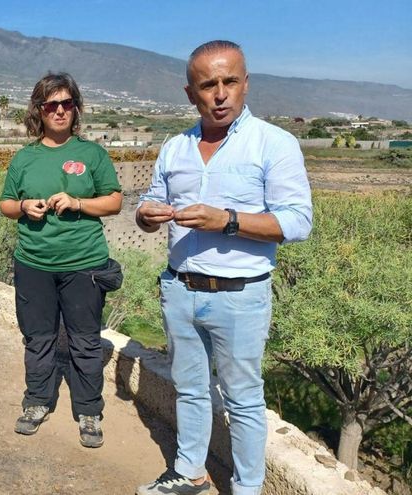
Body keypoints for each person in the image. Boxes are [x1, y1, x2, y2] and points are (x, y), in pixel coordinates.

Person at [134, 41, 312, 495]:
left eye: (230, 81)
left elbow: (297, 221)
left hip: (241, 295)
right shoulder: (175, 147)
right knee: (189, 388)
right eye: (208, 84)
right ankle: (190, 471)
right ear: (189, 92)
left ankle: (248, 488)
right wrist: (146, 215)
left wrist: (227, 220)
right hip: (180, 288)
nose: (220, 94)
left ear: (245, 83)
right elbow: (150, 200)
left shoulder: (275, 143)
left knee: (244, 400)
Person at [0, 72, 123, 448]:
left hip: (84, 264)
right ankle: (37, 401)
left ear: (76, 109)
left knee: (85, 341)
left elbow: (115, 200)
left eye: (66, 104)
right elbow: (5, 204)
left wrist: (78, 203)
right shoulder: (24, 158)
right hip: (33, 264)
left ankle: (88, 410)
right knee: (38, 339)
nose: (59, 111)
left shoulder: (92, 154)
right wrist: (23, 207)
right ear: (39, 110)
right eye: (51, 104)